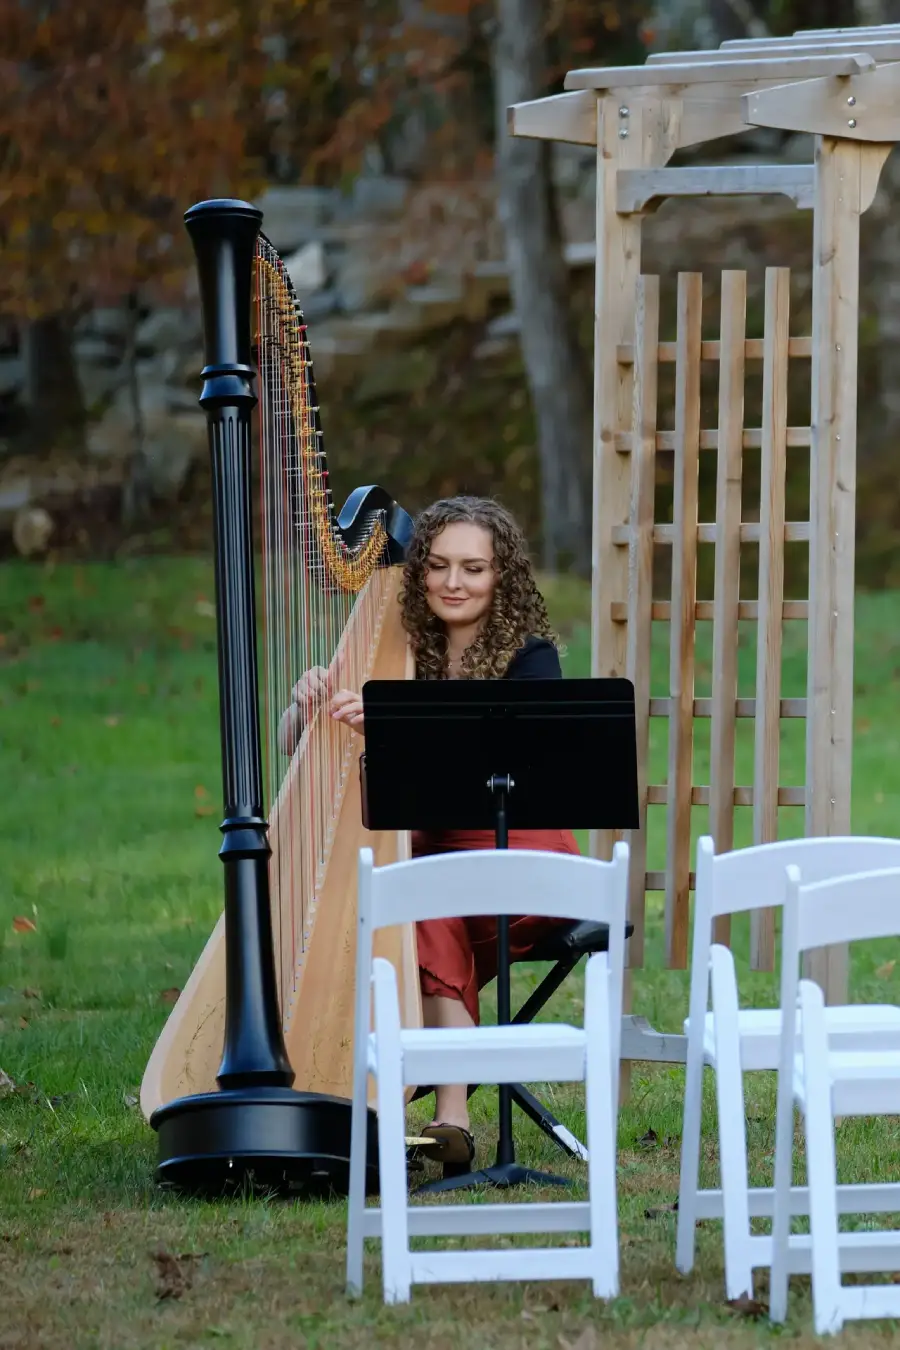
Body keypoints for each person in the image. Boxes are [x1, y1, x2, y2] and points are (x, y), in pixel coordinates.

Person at [285, 496, 580, 1168]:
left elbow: (517, 764)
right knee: (419, 897)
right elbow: (291, 750)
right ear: (416, 572)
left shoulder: (529, 659)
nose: (454, 582)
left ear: (502, 576)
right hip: (435, 863)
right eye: (439, 566)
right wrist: (302, 712)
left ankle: (429, 1106)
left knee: (419, 897)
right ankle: (449, 1122)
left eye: (473, 569)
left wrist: (401, 727)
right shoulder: (391, 650)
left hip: (524, 859)